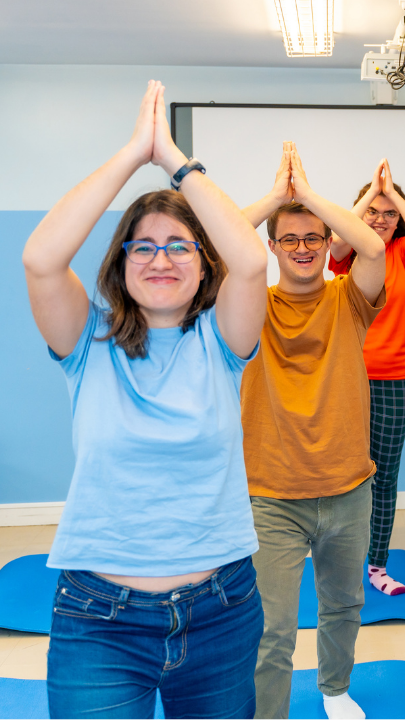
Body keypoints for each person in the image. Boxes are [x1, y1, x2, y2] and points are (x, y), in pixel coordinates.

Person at [23, 81, 268, 719]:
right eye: (144, 245)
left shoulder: (223, 340)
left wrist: (175, 163)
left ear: (202, 263)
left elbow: (249, 262)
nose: (161, 258)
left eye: (179, 245)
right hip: (98, 619)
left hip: (222, 610)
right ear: (123, 260)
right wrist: (135, 154)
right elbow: (41, 258)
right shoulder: (88, 339)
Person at [241, 143, 387, 720]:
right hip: (271, 495)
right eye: (289, 239)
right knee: (271, 629)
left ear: (328, 243)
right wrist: (278, 198)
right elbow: (207, 245)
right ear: (272, 247)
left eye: (314, 238)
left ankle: (334, 690)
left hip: (349, 486)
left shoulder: (349, 298)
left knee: (344, 605)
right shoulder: (249, 301)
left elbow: (373, 245)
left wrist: (309, 199)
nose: (303, 248)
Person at [324, 158, 405, 597]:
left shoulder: (404, 256)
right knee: (342, 473)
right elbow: (335, 240)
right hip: (346, 377)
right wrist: (372, 194)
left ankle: (376, 565)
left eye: (391, 213)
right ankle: (338, 556)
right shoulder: (348, 256)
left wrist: (394, 200)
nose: (382, 220)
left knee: (384, 476)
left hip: (395, 379)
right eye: (374, 212)